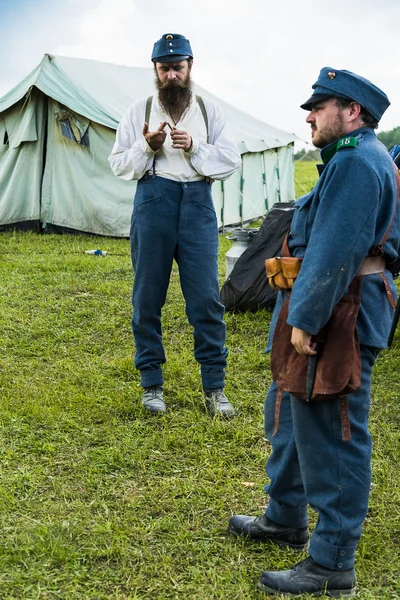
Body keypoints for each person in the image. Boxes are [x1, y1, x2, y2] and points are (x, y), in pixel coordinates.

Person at [228, 68, 400, 597]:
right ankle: (284, 518)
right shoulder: (352, 160)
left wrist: (305, 316)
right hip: (322, 301)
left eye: (319, 106)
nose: (308, 115)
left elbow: (334, 248)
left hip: (337, 311)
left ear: (352, 112)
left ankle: (332, 562)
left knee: (335, 430)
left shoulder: (354, 163)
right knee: (291, 415)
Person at [108, 33, 241, 417]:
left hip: (198, 204)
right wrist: (146, 146)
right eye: (163, 68)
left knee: (205, 300)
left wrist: (196, 146)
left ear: (190, 67)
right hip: (154, 201)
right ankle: (152, 384)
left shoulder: (208, 111)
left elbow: (231, 161)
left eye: (177, 68)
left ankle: (214, 387)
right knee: (147, 298)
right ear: (155, 69)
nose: (170, 76)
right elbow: (118, 164)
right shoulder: (139, 110)